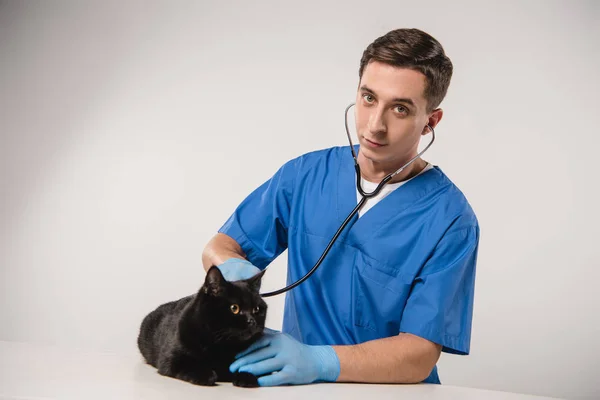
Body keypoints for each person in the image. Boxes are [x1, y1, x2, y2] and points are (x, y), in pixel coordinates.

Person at [201, 27, 480, 387]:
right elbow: (219, 247)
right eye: (368, 98)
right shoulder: (305, 176)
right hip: (298, 389)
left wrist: (319, 360)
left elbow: (420, 354)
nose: (375, 126)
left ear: (431, 121)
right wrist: (232, 270)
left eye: (399, 108)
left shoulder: (451, 220)